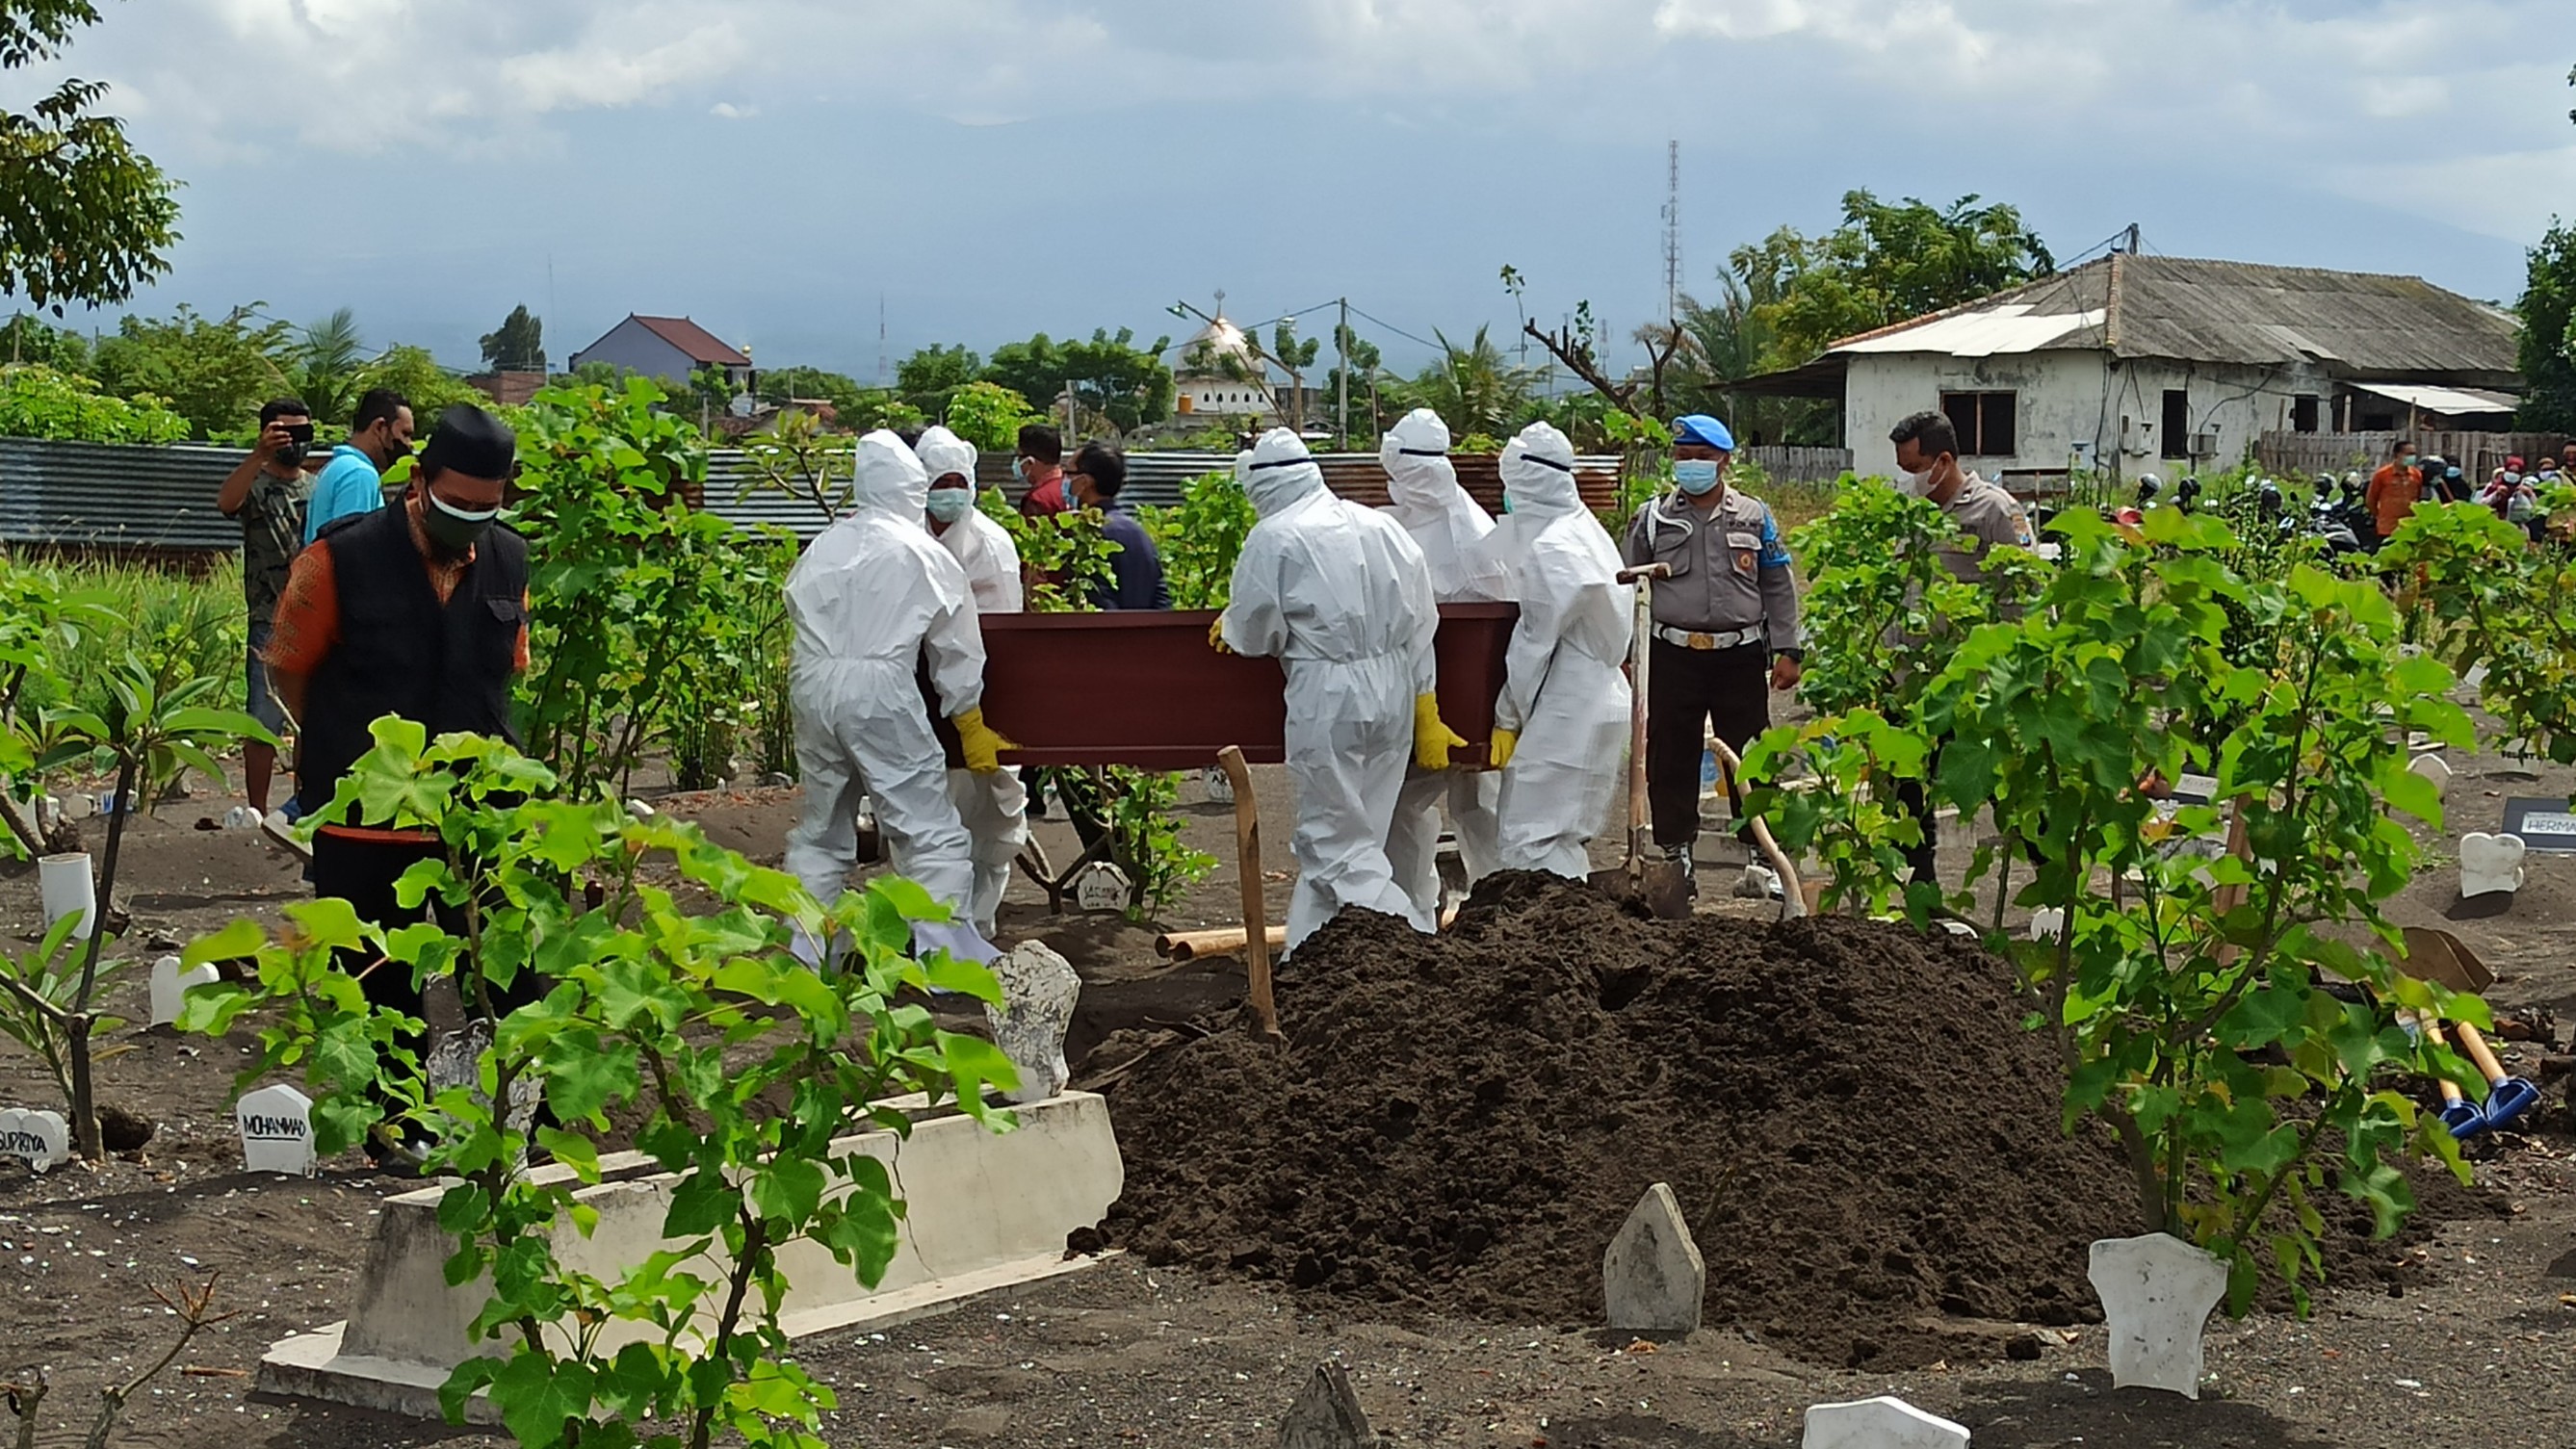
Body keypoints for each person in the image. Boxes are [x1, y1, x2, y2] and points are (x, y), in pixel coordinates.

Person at [261, 403, 529, 1168]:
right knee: (378, 978)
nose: (472, 520)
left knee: (507, 972)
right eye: (457, 505)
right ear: (418, 482)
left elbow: (509, 665)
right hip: (364, 816)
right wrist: (339, 747)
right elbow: (287, 662)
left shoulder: (510, 559)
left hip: (477, 819)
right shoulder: (338, 560)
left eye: (487, 507)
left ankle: (514, 1126)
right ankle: (394, 1131)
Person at [782, 429, 1010, 966]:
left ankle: (810, 955)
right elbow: (957, 648)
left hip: (812, 684)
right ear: (914, 491)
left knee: (822, 830)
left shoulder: (825, 544)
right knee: (925, 827)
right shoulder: (922, 552)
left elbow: (794, 605)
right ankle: (945, 960)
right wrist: (969, 719)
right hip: (880, 688)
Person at [1215, 427, 1449, 950]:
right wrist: (1423, 698)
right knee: (1363, 835)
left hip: (1328, 691)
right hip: (1394, 686)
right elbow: (1422, 618)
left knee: (1333, 844)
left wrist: (1230, 625)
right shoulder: (1379, 525)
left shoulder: (1275, 536)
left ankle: (1411, 942)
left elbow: (1256, 633)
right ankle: (1312, 960)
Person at [1619, 413, 1801, 891]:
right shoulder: (1652, 517)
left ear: (1723, 461)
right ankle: (1677, 857)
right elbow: (1625, 585)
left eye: (1702, 457)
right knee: (1670, 754)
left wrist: (1789, 647)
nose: (1691, 464)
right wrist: (1625, 650)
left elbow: (1778, 584)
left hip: (1738, 655)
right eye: (1683, 457)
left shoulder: (1753, 516)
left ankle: (1763, 857)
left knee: (1751, 754)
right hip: (1672, 652)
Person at [1886, 408, 2038, 882]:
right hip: (1914, 682)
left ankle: (2054, 879)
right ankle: (1921, 885)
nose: (1911, 480)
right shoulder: (1911, 516)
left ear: (1944, 460)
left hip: (1973, 687)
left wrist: (2014, 674)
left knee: (2002, 785)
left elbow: (2027, 595)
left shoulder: (1994, 511)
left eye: (1915, 469)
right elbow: (1896, 589)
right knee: (1905, 785)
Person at [1484, 422, 1633, 879]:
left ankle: (1543, 938)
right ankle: (1573, 931)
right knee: (1561, 836)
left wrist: (1507, 716)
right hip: (1601, 693)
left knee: (1531, 838)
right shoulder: (1585, 529)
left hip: (1572, 701)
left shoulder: (1552, 548)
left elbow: (1533, 644)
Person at [1378, 408, 1510, 921]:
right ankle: (1415, 913)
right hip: (1423, 695)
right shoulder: (1391, 524)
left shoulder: (1473, 533)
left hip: (1462, 697)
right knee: (1407, 808)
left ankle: (1501, 916)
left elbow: (1497, 619)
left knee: (1479, 808)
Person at [916, 426, 1028, 939]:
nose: (949, 491)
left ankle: (978, 921)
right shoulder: (911, 533)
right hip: (921, 696)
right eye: (940, 481)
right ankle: (938, 922)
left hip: (984, 699)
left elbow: (999, 634)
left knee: (990, 809)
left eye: (957, 480)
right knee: (934, 811)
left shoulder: (990, 544)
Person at [216, 397, 314, 816]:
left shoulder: (316, 486)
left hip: (313, 619)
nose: (296, 443)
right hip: (267, 620)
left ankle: (303, 809)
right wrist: (258, 454)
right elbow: (225, 503)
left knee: (311, 722)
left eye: (303, 433)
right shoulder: (253, 482)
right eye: (286, 433)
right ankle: (255, 813)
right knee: (262, 721)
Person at [1066, 439, 1170, 609]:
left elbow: (1098, 602)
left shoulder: (1090, 536)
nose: (1064, 480)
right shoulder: (1138, 532)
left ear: (1084, 482)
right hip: (1147, 634)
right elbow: (1161, 597)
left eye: (1068, 473)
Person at [302, 387, 414, 544]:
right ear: (380, 427)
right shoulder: (359, 474)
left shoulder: (339, 466)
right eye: (405, 434)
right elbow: (352, 549)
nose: (409, 444)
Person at [2364, 438, 2422, 548]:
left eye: (2414, 454)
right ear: (2397, 455)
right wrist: (2379, 516)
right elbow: (2371, 500)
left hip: (2409, 527)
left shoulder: (2416, 474)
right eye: (2408, 454)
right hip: (2388, 528)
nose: (2412, 457)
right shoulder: (2382, 475)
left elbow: (2417, 497)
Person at [1014, 424, 1069, 518]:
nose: (1016, 462)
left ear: (1030, 461)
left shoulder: (1037, 500)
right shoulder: (1075, 489)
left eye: (1019, 457)